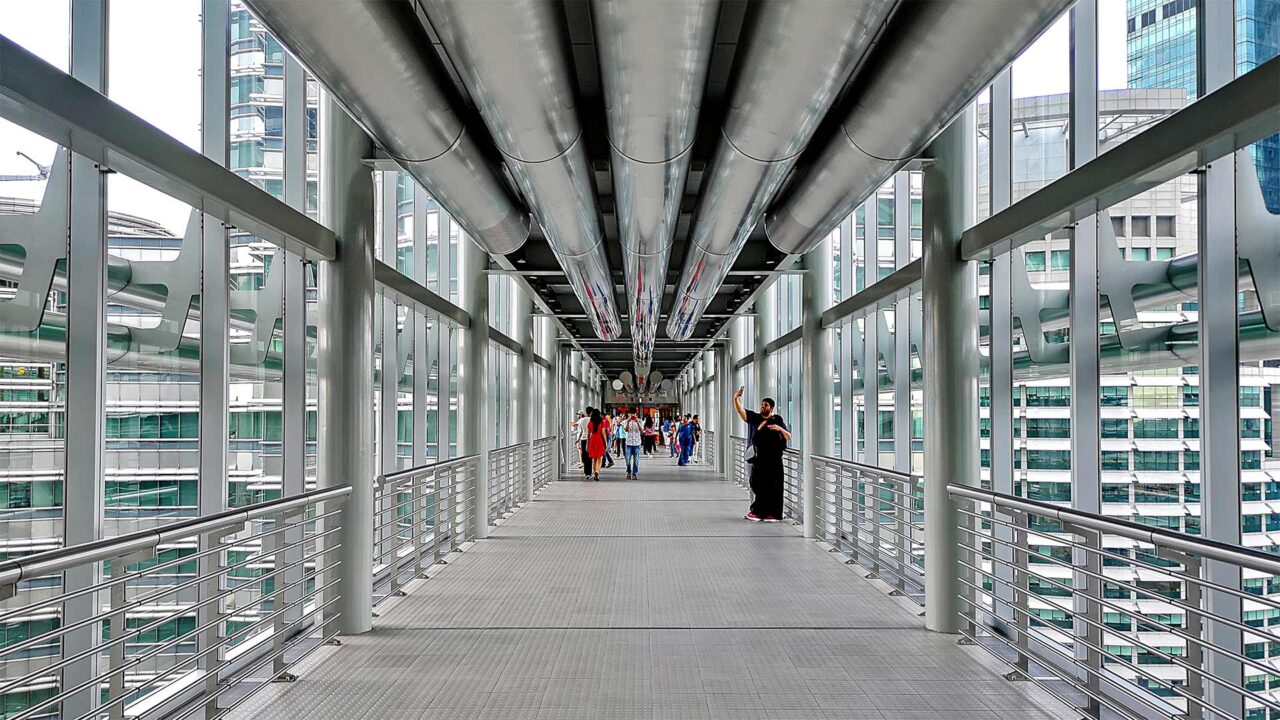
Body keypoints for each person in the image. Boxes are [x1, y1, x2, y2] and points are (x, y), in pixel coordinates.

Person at [734, 386, 790, 521]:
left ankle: (766, 512)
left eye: (765, 405)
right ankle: (756, 510)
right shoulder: (755, 417)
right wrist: (736, 398)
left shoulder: (777, 421)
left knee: (769, 486)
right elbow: (741, 412)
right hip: (755, 457)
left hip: (771, 460)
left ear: (771, 408)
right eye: (762, 404)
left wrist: (778, 428)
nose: (762, 407)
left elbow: (787, 436)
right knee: (754, 484)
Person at [586, 408, 610, 481]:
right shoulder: (601, 422)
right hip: (599, 439)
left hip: (592, 440)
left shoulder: (590, 423)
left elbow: (588, 435)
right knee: (600, 458)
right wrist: (605, 442)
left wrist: (587, 444)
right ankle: (597, 472)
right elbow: (603, 433)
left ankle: (594, 473)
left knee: (594, 458)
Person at [622, 411, 644, 479]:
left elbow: (641, 430)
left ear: (636, 414)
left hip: (637, 443)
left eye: (633, 414)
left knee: (636, 459)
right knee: (627, 458)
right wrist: (628, 422)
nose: (632, 415)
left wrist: (637, 422)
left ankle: (634, 474)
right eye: (631, 414)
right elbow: (626, 430)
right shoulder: (627, 421)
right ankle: (628, 471)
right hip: (628, 443)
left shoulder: (639, 421)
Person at [576, 408, 593, 478]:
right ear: (591, 412)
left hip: (583, 439)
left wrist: (578, 439)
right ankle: (590, 472)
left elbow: (580, 429)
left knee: (585, 456)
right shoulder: (592, 420)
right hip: (591, 439)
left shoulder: (581, 420)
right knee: (590, 456)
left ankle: (586, 473)